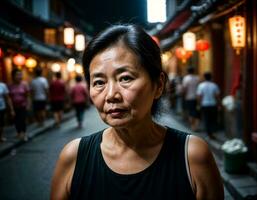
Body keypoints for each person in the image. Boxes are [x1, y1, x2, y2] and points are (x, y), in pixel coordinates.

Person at [51, 24, 224, 200]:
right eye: (99, 82)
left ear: (158, 85)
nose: (111, 95)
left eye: (125, 78)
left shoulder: (192, 156)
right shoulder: (73, 157)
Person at [197, 72, 220, 139]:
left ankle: (209, 133)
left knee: (206, 119)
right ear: (211, 77)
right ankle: (212, 133)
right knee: (213, 119)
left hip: (204, 105)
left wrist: (199, 104)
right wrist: (219, 105)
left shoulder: (201, 85)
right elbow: (217, 96)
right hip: (213, 104)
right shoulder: (214, 85)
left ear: (204, 77)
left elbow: (199, 96)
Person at [8, 68, 30, 141]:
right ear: (13, 76)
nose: (19, 76)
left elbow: (27, 95)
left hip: (23, 105)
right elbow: (9, 97)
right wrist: (11, 109)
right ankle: (19, 133)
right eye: (17, 75)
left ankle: (23, 133)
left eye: (20, 75)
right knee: (16, 120)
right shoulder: (10, 85)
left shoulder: (24, 84)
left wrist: (28, 104)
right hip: (14, 106)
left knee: (23, 120)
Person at [182, 67, 200, 131]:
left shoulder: (186, 78)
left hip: (189, 97)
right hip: (197, 98)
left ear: (188, 71)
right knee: (196, 112)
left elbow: (184, 88)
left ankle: (192, 126)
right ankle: (196, 126)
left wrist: (183, 95)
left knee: (190, 111)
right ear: (194, 71)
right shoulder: (197, 78)